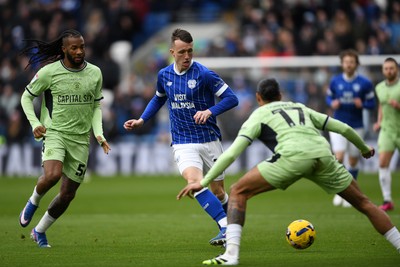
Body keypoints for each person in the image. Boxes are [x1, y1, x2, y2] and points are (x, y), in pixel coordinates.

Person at [177, 78, 400, 265]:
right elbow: (342, 128)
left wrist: (204, 181)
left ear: (258, 98)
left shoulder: (259, 114)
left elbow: (232, 154)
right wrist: (363, 149)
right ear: (280, 95)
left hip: (292, 158)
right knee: (364, 203)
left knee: (237, 191)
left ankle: (231, 254)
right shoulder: (300, 107)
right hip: (324, 156)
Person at [124, 28, 238, 246]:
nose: (187, 56)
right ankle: (226, 228)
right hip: (183, 142)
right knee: (194, 183)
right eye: (182, 52)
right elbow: (158, 99)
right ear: (172, 52)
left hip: (209, 139)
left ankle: (230, 227)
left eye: (190, 51)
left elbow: (232, 99)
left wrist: (210, 111)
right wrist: (142, 120)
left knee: (219, 192)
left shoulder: (204, 74)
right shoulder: (164, 75)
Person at [18, 29, 111, 248]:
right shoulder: (49, 72)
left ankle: (39, 231)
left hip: (80, 140)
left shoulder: (95, 72)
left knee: (68, 195)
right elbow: (25, 98)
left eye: (82, 47)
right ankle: (33, 201)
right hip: (55, 134)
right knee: (52, 175)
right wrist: (35, 124)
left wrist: (99, 133)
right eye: (74, 48)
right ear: (64, 49)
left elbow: (96, 105)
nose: (79, 51)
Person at [326, 49, 375, 207]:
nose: (348, 65)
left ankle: (351, 192)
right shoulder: (335, 81)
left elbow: (372, 103)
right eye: (346, 62)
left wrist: (363, 104)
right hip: (338, 124)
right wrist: (331, 103)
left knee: (353, 160)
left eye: (351, 62)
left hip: (356, 125)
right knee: (339, 157)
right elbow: (329, 97)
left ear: (356, 64)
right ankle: (340, 192)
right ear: (342, 64)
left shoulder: (365, 83)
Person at [373, 57, 400, 212]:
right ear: (383, 71)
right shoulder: (379, 88)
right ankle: (387, 200)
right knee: (382, 162)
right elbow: (382, 106)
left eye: (391, 68)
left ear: (397, 69)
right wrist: (379, 121)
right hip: (387, 130)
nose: (389, 71)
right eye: (386, 68)